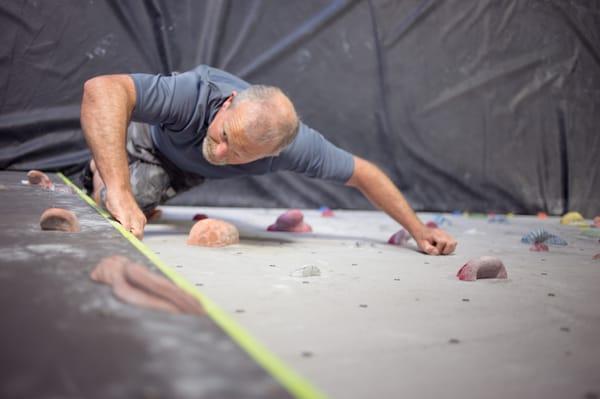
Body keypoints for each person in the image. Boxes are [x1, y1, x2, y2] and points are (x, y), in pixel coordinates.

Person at [80, 65, 457, 255]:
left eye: (241, 154)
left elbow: (364, 174)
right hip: (149, 140)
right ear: (228, 104)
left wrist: (419, 231)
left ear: (275, 155)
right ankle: (103, 170)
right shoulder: (194, 94)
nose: (223, 153)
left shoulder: (294, 147)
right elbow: (102, 90)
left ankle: (133, 186)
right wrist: (118, 187)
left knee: (145, 199)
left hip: (187, 171)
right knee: (122, 202)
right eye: (226, 135)